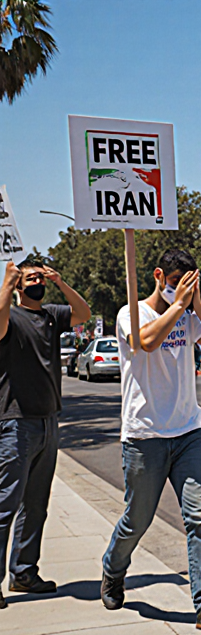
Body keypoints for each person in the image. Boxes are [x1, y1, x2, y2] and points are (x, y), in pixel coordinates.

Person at [101, 250, 201, 633]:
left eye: (189, 282)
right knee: (137, 519)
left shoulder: (189, 313)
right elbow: (145, 342)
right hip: (145, 436)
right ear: (159, 275)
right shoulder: (131, 312)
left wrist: (198, 307)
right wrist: (178, 306)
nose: (181, 288)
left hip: (187, 433)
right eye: (177, 280)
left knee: (199, 518)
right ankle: (113, 568)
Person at [0, 260, 91, 609]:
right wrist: (7, 282)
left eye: (41, 277)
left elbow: (82, 313)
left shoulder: (52, 314)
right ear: (19, 285)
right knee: (5, 506)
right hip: (16, 423)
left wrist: (62, 282)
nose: (38, 282)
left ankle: (24, 572)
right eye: (31, 278)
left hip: (49, 422)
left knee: (36, 505)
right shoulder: (10, 315)